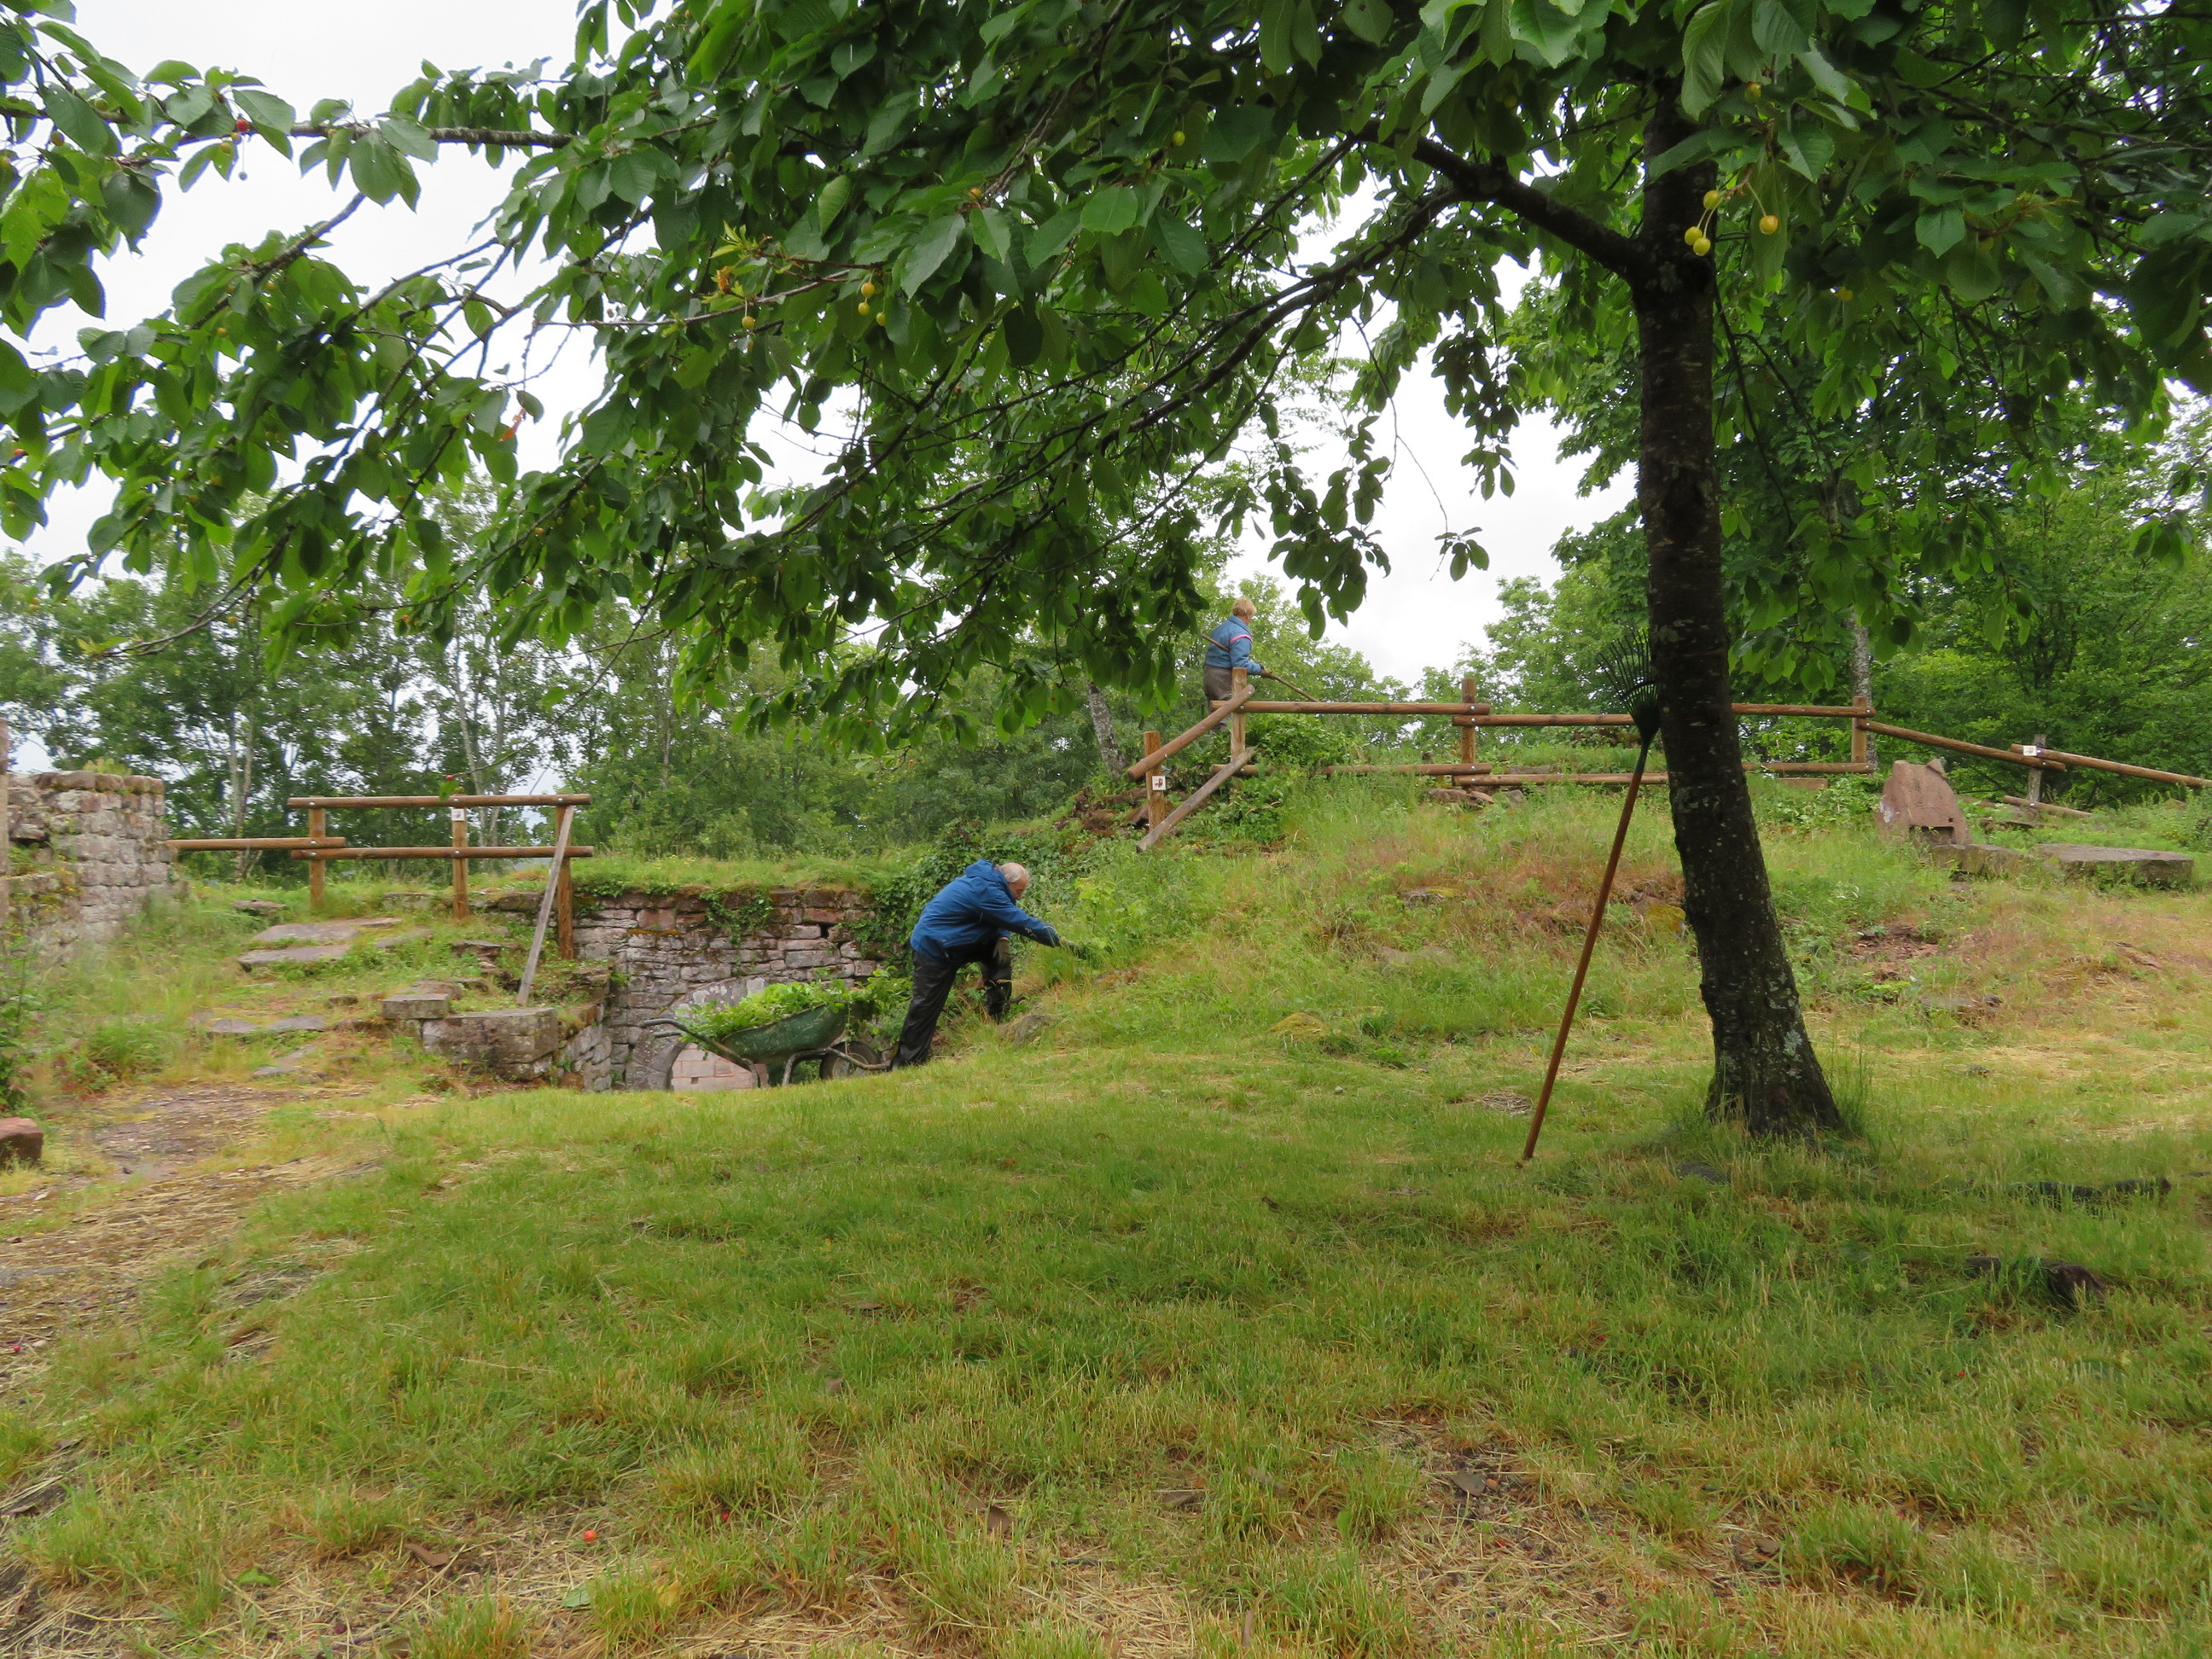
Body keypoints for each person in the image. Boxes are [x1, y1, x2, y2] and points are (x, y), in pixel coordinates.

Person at [894, 859, 1062, 1068]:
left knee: (999, 951)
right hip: (934, 947)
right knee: (925, 1008)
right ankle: (907, 1063)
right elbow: (1017, 920)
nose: (1019, 897)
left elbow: (1001, 916)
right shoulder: (985, 890)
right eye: (1018, 891)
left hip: (956, 941)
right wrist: (1059, 940)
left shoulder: (991, 883)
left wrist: (1003, 937)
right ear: (1007, 883)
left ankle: (999, 1015)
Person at [1203, 597, 1263, 704]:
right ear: (1247, 614)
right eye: (1251, 616)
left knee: (1214, 712)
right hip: (1223, 678)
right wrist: (1260, 669)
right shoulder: (1241, 635)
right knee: (1229, 711)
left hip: (1209, 674)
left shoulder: (1220, 628)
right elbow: (1241, 664)